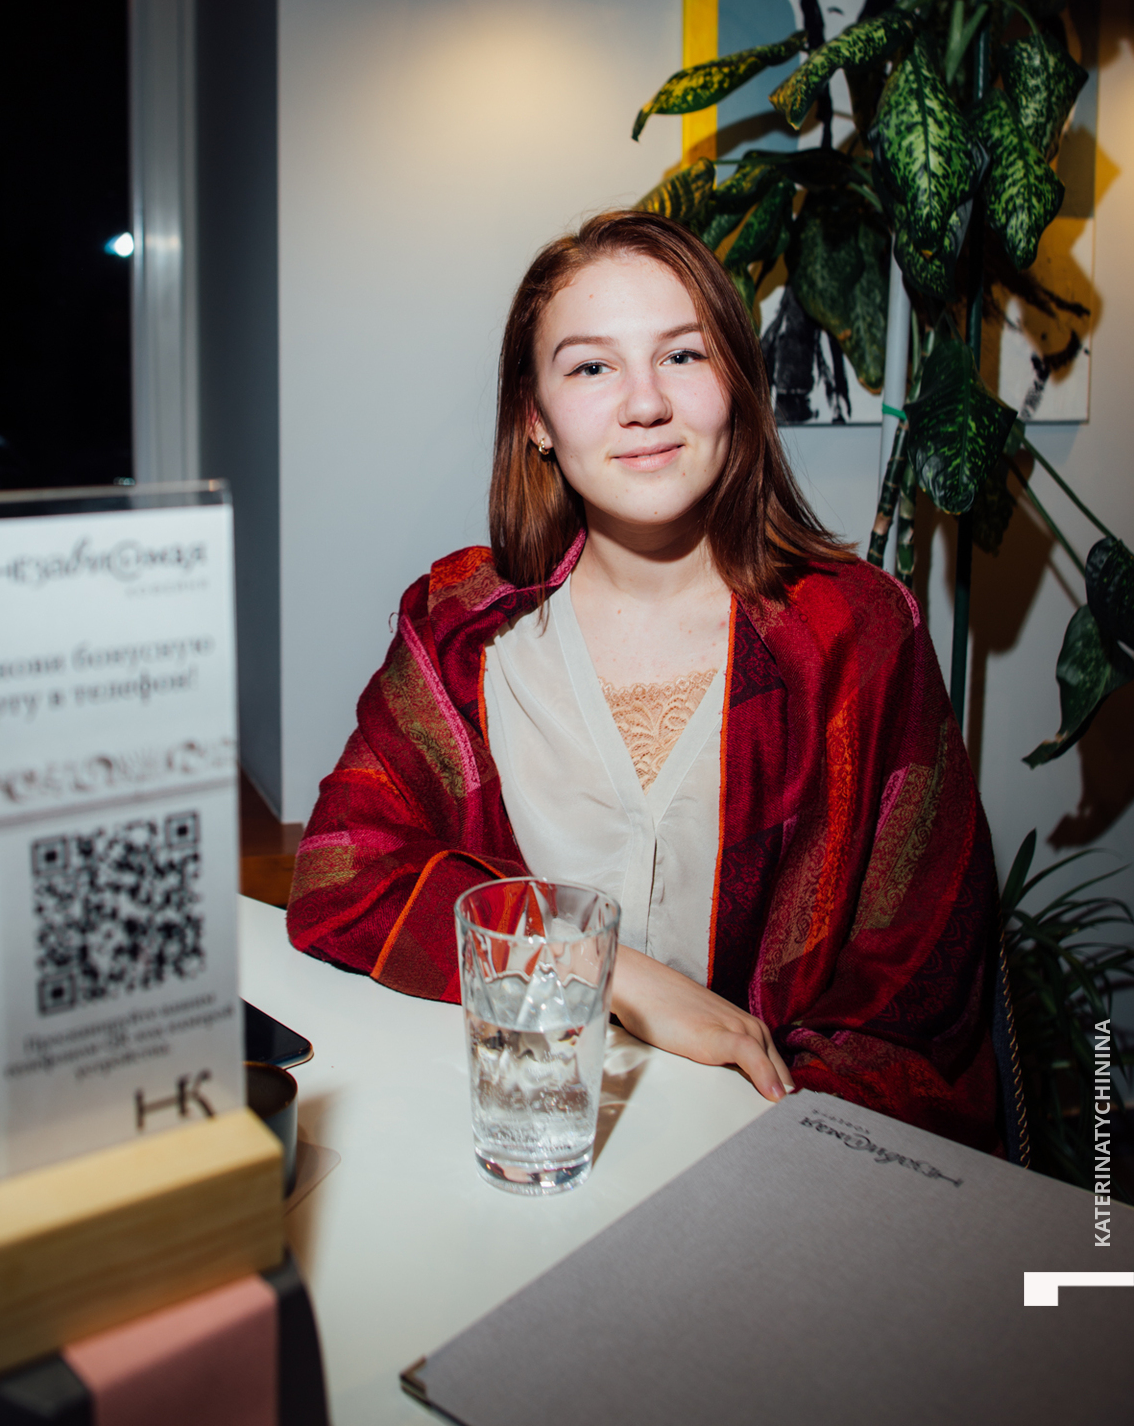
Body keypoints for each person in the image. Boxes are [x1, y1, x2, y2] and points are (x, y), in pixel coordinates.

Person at [288, 211, 999, 1150]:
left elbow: (916, 993)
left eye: (683, 356)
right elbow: (342, 873)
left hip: (774, 1160)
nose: (644, 404)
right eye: (592, 367)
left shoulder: (859, 634)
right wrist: (602, 966)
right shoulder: (458, 630)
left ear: (735, 386)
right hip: (520, 1138)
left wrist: (764, 1149)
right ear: (536, 420)